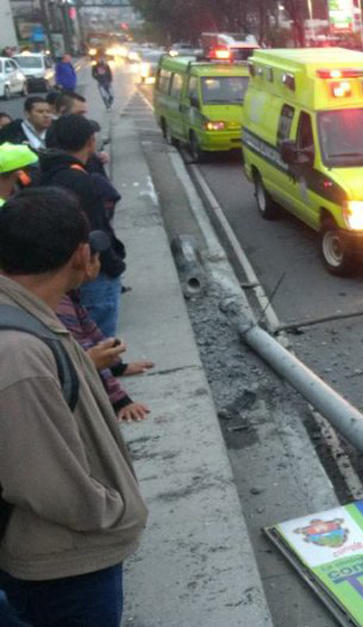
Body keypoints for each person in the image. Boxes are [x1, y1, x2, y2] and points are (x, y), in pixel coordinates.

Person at [0, 188, 148, 627]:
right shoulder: (19, 353)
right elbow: (45, 483)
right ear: (82, 255)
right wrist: (114, 510)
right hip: (65, 564)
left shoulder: (27, 321)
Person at [40, 115, 126, 337]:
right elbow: (96, 233)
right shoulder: (82, 182)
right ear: (90, 141)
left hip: (61, 272)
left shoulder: (44, 174)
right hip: (91, 275)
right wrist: (114, 266)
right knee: (99, 338)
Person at [56, 230, 152, 423]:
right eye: (97, 258)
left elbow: (90, 330)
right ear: (84, 260)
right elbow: (85, 353)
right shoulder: (60, 306)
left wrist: (117, 366)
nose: (99, 264)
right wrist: (121, 401)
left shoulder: (67, 294)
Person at [52, 91, 110, 178]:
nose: (83, 118)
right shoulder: (54, 135)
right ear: (62, 111)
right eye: (79, 113)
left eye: (84, 114)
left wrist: (99, 155)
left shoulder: (87, 127)